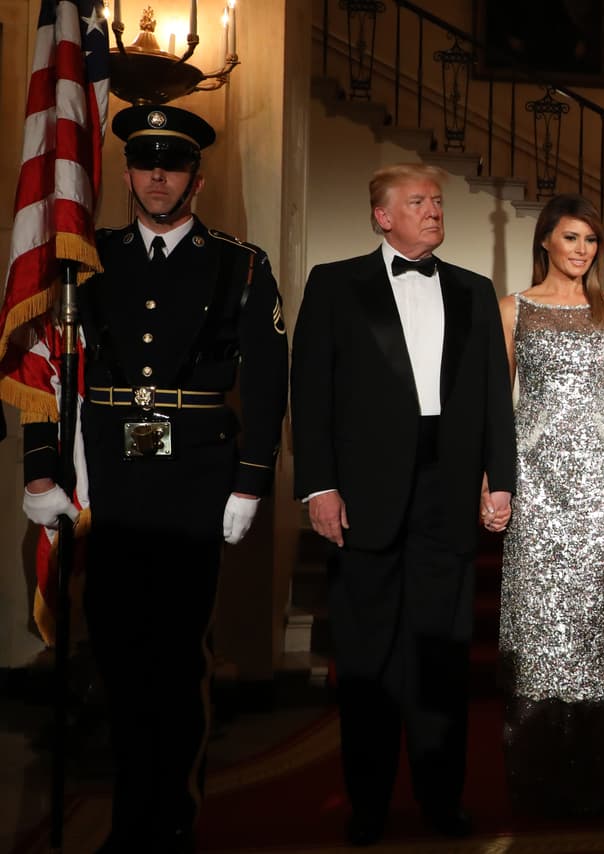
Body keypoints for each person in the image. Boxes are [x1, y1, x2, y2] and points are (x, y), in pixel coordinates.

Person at [20, 105, 288, 853]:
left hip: (195, 486)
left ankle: (171, 819)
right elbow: (51, 375)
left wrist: (251, 481)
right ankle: (131, 818)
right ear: (129, 174)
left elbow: (267, 382)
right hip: (106, 486)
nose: (158, 176)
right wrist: (41, 469)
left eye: (172, 165)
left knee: (176, 662)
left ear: (195, 178)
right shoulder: (87, 260)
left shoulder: (240, 263)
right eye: (145, 163)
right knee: (117, 656)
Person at [291, 163, 516, 845]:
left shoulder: (475, 292)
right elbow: (312, 393)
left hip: (445, 494)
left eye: (437, 202)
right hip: (362, 498)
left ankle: (442, 802)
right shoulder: (334, 285)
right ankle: (368, 806)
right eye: (417, 202)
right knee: (366, 660)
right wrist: (318, 485)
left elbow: (491, 400)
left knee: (442, 659)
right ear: (381, 216)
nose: (432, 211)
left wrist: (499, 478)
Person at [496, 193, 604, 816]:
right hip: (535, 480)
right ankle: (539, 775)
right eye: (571, 238)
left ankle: (600, 777)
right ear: (546, 242)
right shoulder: (511, 308)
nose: (582, 250)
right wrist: (494, 479)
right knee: (538, 617)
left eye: (590, 240)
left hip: (601, 482)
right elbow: (497, 403)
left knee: (596, 619)